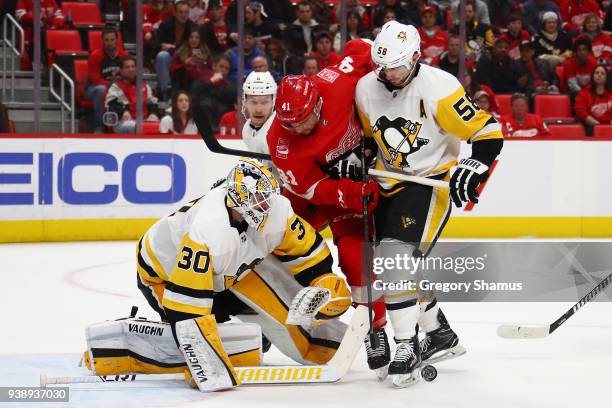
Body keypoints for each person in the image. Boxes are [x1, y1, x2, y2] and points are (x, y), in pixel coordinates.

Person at [356, 21, 502, 386]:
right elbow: (370, 140)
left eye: (397, 67)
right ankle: (439, 333)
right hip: (385, 182)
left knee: (393, 259)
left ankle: (406, 343)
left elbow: (487, 131)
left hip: (428, 184)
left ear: (416, 57)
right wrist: (358, 157)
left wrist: (478, 162)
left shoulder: (440, 88)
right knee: (398, 267)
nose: (389, 75)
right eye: (383, 67)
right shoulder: (364, 88)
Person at [134, 158, 352, 391]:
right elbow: (187, 307)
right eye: (260, 199)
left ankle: (321, 343)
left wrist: (324, 280)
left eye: (268, 197)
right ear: (240, 200)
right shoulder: (206, 232)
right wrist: (204, 362)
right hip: (165, 277)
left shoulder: (276, 210)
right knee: (205, 338)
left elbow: (307, 249)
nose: (267, 205)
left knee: (278, 314)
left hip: (228, 271)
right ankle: (135, 350)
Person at [266, 39, 390, 378]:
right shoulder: (280, 141)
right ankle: (268, 312)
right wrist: (351, 193)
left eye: (302, 121)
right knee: (275, 248)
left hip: (353, 176)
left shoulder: (335, 81)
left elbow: (362, 47)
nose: (295, 130)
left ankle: (375, 326)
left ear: (317, 102)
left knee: (354, 259)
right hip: (318, 193)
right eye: (288, 123)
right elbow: (313, 190)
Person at [85, 28, 128, 133]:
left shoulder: (124, 56)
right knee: (101, 89)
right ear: (102, 41)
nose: (109, 43)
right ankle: (99, 126)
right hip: (93, 88)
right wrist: (111, 85)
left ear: (117, 40)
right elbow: (94, 79)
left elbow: (129, 75)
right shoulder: (95, 55)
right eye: (106, 40)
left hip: (117, 87)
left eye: (112, 40)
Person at [155, 0, 198, 100]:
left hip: (185, 58)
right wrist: (176, 50)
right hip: (170, 59)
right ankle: (166, 91)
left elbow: (191, 48)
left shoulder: (193, 27)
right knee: (162, 56)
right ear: (175, 13)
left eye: (186, 12)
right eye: (180, 12)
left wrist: (173, 48)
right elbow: (157, 45)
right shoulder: (165, 25)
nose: (183, 15)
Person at [104, 57, 159, 133]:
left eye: (133, 67)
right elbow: (111, 106)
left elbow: (152, 103)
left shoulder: (145, 86)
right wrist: (123, 112)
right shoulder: (116, 86)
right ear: (121, 70)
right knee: (137, 127)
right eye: (127, 67)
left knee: (164, 125)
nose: (131, 69)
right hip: (123, 122)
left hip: (145, 121)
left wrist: (154, 114)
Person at [241, 71, 277, 155]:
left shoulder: (280, 131)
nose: (258, 110)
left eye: (264, 102)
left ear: (273, 102)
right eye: (253, 102)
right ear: (245, 102)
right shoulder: (246, 129)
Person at [574, 65, 612, 133]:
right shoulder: (584, 92)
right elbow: (580, 111)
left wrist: (608, 127)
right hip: (590, 127)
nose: (599, 75)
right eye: (596, 73)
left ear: (607, 78)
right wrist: (598, 126)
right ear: (592, 76)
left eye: (602, 73)